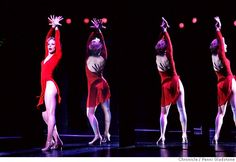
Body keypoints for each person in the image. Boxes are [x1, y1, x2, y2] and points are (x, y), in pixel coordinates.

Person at [155, 17, 188, 144]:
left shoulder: (157, 58)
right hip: (175, 82)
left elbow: (162, 43)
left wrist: (162, 30)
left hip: (166, 86)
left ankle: (162, 135)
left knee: (163, 113)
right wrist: (165, 31)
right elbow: (169, 44)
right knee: (182, 109)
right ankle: (184, 134)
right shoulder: (168, 55)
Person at [36, 15, 64, 151]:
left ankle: (49, 142)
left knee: (51, 114)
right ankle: (58, 140)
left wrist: (57, 28)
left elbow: (57, 43)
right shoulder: (46, 54)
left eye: (53, 44)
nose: (51, 46)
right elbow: (45, 40)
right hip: (44, 87)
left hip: (50, 85)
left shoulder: (57, 54)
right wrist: (51, 28)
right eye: (49, 44)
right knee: (44, 115)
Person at [210, 16, 236, 144]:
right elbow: (220, 40)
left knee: (220, 113)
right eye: (223, 44)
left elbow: (220, 42)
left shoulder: (214, 57)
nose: (226, 45)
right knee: (235, 110)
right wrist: (218, 28)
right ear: (219, 47)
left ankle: (216, 136)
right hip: (230, 81)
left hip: (220, 85)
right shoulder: (221, 54)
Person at [85, 18, 111, 145]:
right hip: (103, 84)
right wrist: (99, 31)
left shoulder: (87, 57)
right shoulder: (103, 57)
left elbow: (88, 41)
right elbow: (104, 45)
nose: (97, 40)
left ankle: (98, 135)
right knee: (106, 110)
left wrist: (95, 31)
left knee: (90, 113)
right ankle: (106, 133)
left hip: (94, 87)